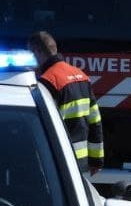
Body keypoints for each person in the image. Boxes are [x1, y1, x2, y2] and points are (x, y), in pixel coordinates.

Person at [28, 31, 104, 174]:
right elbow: (95, 121)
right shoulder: (81, 76)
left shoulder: (47, 81)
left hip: (59, 161)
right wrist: (96, 160)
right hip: (80, 162)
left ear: (37, 52)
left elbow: (43, 126)